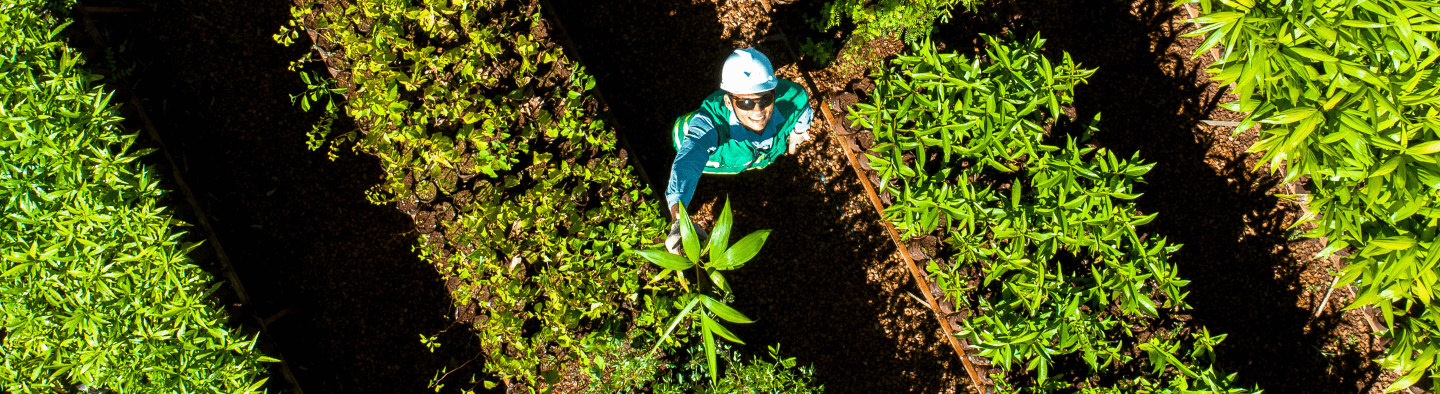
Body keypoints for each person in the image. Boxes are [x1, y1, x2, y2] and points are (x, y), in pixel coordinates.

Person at [664, 48, 814, 255]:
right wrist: (679, 217)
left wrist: (800, 130)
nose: (758, 111)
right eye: (745, 103)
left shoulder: (792, 96)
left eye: (765, 99)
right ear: (728, 101)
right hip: (709, 159)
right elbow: (689, 159)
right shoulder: (712, 124)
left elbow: (803, 108)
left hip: (746, 159)